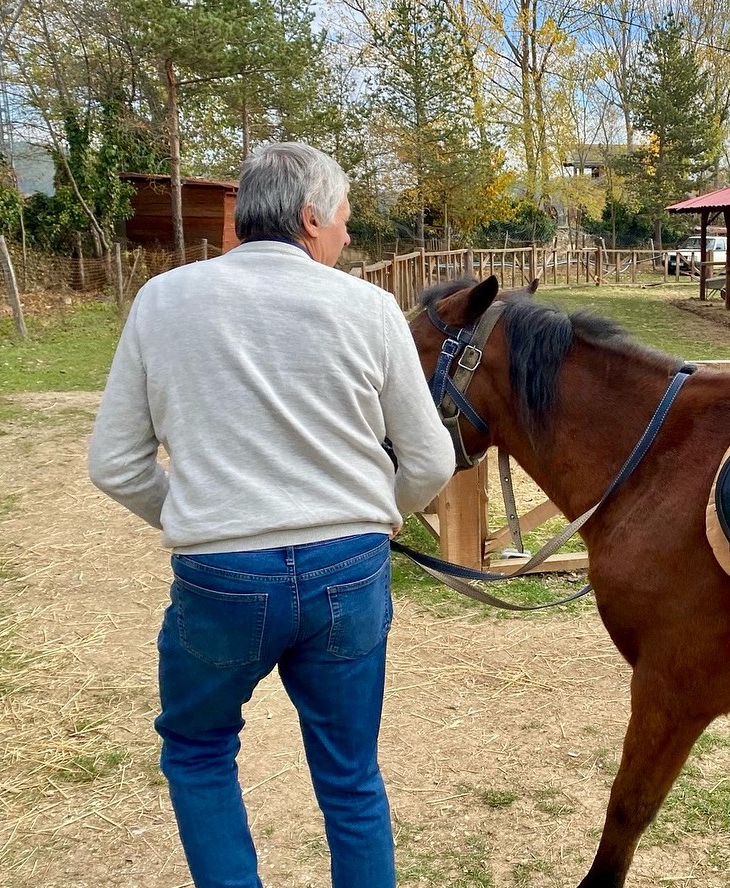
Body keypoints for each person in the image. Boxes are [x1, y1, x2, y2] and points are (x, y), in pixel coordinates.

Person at [88, 142, 455, 888]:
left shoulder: (163, 300)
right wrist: (382, 516)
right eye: (344, 221)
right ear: (310, 217)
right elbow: (429, 462)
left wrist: (203, 518)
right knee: (352, 777)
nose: (348, 238)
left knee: (198, 752)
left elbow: (114, 464)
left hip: (220, 578)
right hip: (347, 573)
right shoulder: (368, 308)